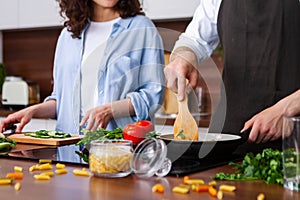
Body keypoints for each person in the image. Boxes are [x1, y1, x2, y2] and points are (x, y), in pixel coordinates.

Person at [0, 0, 165, 135]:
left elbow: (153, 95)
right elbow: (62, 101)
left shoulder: (142, 29)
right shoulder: (68, 35)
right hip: (69, 152)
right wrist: (32, 111)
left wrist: (109, 110)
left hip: (121, 150)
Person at [164, 0, 300, 155]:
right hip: (229, 139)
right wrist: (183, 58)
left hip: (293, 145)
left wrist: (286, 110)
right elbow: (194, 41)